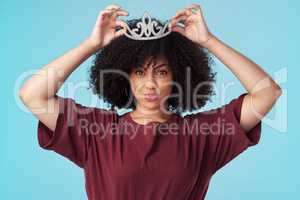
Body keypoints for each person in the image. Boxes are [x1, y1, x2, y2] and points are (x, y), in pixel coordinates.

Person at [19, 3, 282, 200]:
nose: (150, 84)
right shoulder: (95, 131)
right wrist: (93, 44)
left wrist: (208, 41)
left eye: (162, 72)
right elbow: (32, 94)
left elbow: (267, 93)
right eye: (139, 72)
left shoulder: (203, 136)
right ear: (125, 77)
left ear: (178, 77)